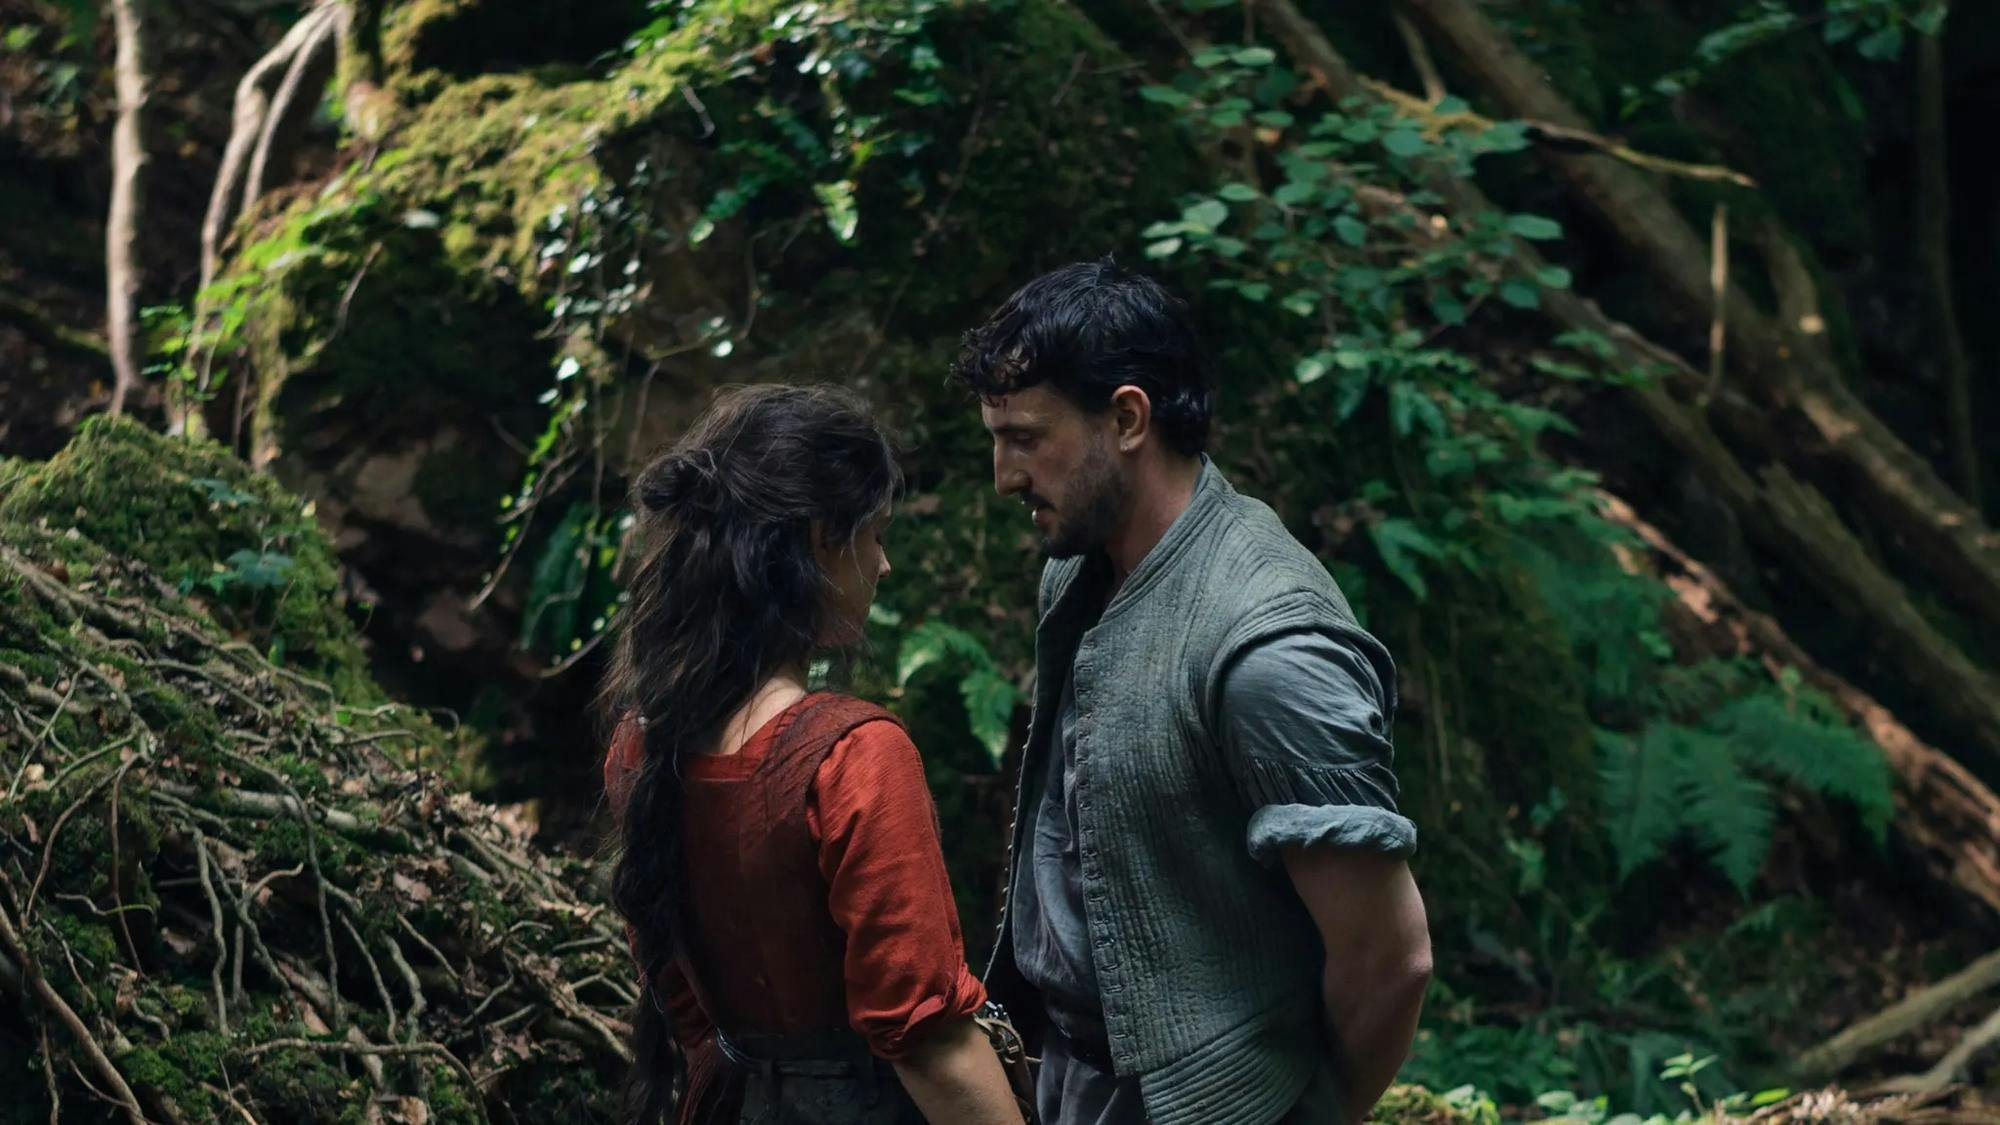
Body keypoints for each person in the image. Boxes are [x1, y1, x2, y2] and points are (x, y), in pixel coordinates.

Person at [954, 259, 1433, 1125]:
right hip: (1073, 1078)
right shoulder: (1083, 567)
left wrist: (1307, 1113)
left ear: (1128, 418)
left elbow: (1390, 959)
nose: (1004, 475)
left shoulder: (1267, 650)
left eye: (1026, 437)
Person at [601, 384, 1024, 1125]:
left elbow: (676, 988)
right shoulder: (854, 758)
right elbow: (926, 1037)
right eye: (875, 534)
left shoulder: (641, 747)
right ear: (822, 540)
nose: (883, 565)